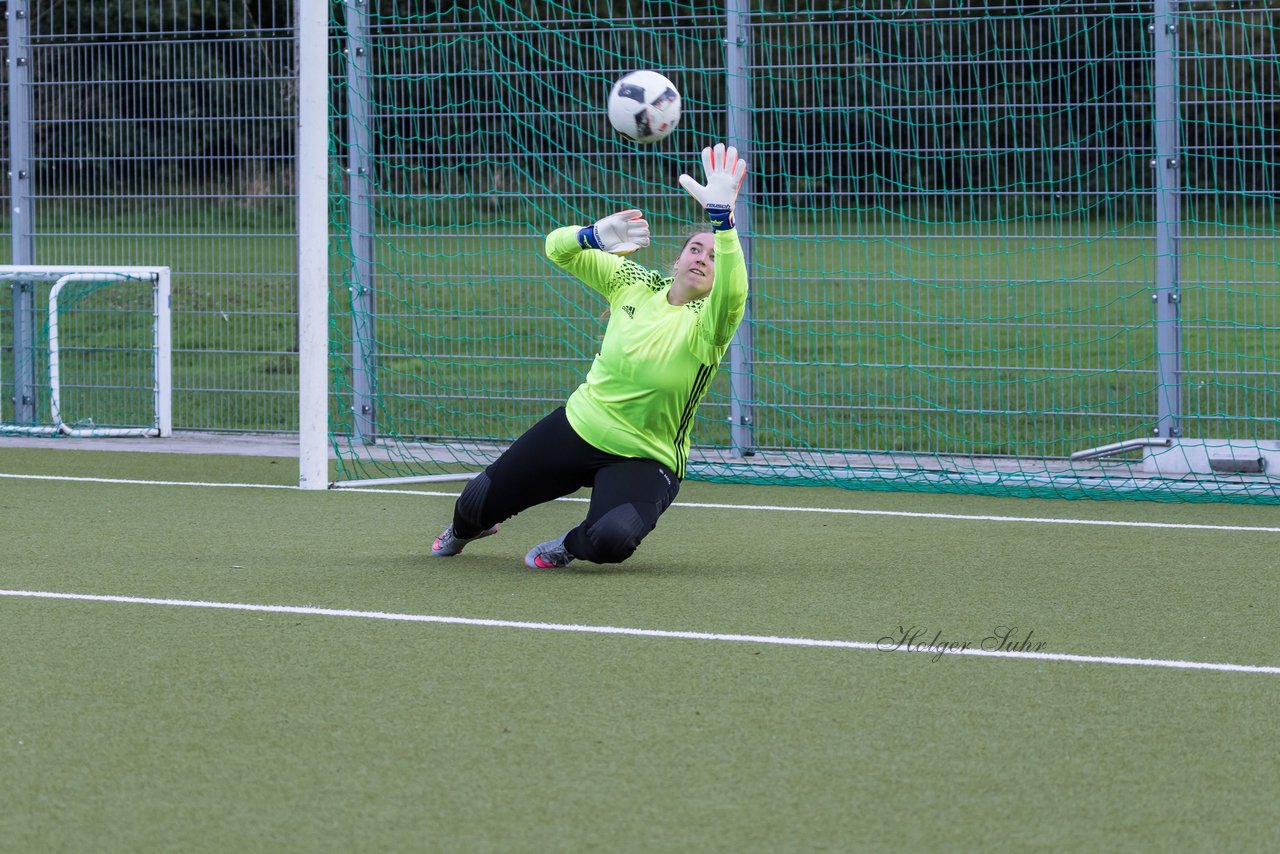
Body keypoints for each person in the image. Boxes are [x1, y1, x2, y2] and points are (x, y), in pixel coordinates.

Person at [432, 142, 749, 568]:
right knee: (474, 502)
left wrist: (722, 223)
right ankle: (466, 530)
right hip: (582, 423)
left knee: (611, 539)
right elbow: (555, 249)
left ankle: (569, 543)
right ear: (677, 260)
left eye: (713, 257)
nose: (703, 259)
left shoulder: (709, 323)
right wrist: (592, 237)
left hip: (645, 454)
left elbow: (734, 291)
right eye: (695, 249)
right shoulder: (634, 283)